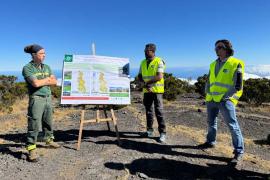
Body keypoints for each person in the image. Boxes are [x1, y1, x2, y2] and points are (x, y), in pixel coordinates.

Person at [198, 39, 245, 165]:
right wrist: (207, 93)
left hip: (225, 100)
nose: (216, 49)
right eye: (215, 47)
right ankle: (210, 142)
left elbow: (238, 85)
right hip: (211, 99)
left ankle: (239, 152)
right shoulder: (213, 64)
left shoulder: (236, 63)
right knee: (210, 122)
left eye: (219, 47)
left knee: (232, 126)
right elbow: (208, 80)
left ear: (227, 48)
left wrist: (226, 97)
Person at [22, 44, 60, 162]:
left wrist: (46, 81)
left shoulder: (47, 67)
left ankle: (49, 140)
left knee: (48, 121)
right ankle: (31, 149)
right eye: (41, 53)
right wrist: (47, 80)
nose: (44, 55)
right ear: (34, 55)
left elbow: (54, 81)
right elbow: (35, 84)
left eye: (44, 53)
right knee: (34, 124)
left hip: (48, 97)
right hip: (36, 98)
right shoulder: (27, 68)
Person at [138, 43, 166, 143]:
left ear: (153, 51)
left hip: (157, 91)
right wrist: (144, 85)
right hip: (147, 91)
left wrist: (147, 83)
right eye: (144, 51)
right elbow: (140, 75)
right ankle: (149, 130)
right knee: (148, 111)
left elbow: (159, 76)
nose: (145, 53)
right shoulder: (142, 62)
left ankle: (162, 133)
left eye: (147, 51)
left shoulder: (159, 61)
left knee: (159, 112)